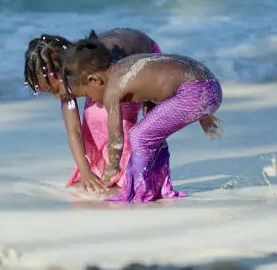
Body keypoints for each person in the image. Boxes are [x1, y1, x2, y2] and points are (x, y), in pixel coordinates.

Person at [59, 33, 223, 203]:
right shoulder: (124, 68)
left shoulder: (112, 90)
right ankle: (158, 186)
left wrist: (112, 167)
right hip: (208, 84)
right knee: (150, 134)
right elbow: (168, 78)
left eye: (87, 93)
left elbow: (115, 137)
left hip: (195, 92)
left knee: (139, 135)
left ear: (94, 79)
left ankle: (140, 192)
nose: (91, 99)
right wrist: (204, 113)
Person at [23, 28, 163, 193]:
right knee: (93, 118)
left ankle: (134, 170)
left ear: (61, 72)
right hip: (105, 74)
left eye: (55, 90)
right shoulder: (68, 77)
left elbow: (117, 117)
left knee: (123, 120)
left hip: (143, 59)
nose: (58, 96)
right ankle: (99, 170)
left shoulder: (96, 63)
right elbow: (74, 129)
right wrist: (85, 170)